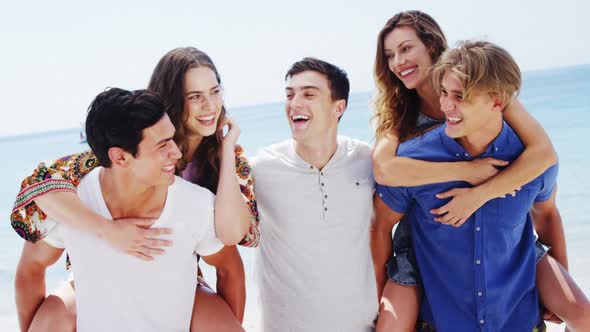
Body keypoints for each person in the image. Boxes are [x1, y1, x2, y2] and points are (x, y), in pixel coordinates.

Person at [370, 11, 590, 331]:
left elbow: (543, 155)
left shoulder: (485, 88)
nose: (397, 61)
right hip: (429, 242)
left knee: (579, 313)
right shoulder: (401, 117)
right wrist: (466, 170)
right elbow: (385, 170)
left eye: (405, 49)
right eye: (389, 55)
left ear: (431, 45)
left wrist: (480, 193)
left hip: (500, 235)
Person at [11, 47, 257, 331]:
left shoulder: (224, 160)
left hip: (179, 275)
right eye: (195, 97)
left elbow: (230, 237)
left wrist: (227, 152)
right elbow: (42, 185)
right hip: (100, 272)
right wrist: (107, 231)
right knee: (58, 315)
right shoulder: (131, 143)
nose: (210, 106)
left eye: (215, 92)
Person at [252, 58, 378, 331]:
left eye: (309, 94)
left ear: (339, 107)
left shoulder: (367, 160)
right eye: (290, 94)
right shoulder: (260, 169)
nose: (295, 103)